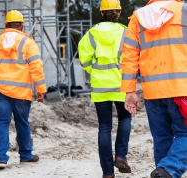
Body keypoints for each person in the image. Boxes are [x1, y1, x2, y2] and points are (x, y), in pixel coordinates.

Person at [121, 0, 187, 177]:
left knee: (162, 138)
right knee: (184, 134)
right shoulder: (184, 11)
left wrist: (130, 91)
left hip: (153, 91)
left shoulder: (138, 16)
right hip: (181, 88)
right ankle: (169, 169)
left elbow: (129, 56)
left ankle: (163, 172)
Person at [0, 10, 46, 169]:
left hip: (0, 91)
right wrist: (41, 88)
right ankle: (25, 155)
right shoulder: (28, 43)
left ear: (6, 25)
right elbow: (36, 67)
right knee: (22, 122)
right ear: (22, 26)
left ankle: (0, 159)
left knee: (2, 122)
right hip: (21, 92)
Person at [78, 0, 132, 177]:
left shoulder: (92, 33)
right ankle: (121, 155)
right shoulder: (126, 32)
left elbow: (84, 59)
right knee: (125, 118)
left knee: (104, 127)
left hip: (100, 85)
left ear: (102, 13)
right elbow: (132, 57)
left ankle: (108, 173)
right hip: (121, 84)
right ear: (118, 12)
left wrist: (93, 70)